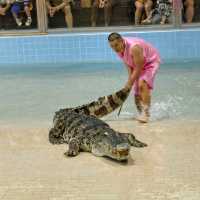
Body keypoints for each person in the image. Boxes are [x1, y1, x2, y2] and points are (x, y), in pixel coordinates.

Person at [108, 32, 160, 123]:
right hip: (138, 64)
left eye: (116, 45)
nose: (114, 48)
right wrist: (130, 82)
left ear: (121, 41)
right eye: (112, 46)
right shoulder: (119, 49)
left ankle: (146, 114)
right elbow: (129, 65)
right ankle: (141, 113)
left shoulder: (134, 48)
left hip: (150, 62)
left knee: (142, 84)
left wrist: (129, 83)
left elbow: (138, 68)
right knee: (136, 92)